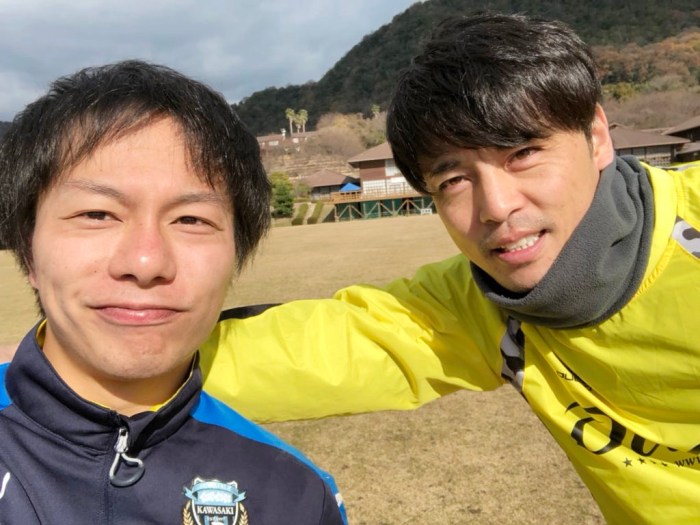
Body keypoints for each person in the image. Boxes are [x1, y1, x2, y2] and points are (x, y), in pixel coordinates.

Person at [197, 13, 700, 525]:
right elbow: (315, 349)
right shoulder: (481, 308)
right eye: (454, 180)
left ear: (596, 136)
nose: (496, 207)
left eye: (524, 153)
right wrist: (145, 357)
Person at [0, 60, 346, 524]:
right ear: (28, 248)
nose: (146, 263)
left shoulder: (295, 494)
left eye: (191, 219)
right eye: (97, 214)